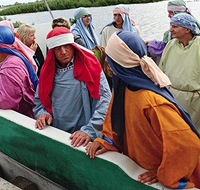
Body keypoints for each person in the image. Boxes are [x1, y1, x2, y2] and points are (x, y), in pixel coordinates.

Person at [86, 31, 200, 189]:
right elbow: (115, 118)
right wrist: (107, 141)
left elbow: (188, 143)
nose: (108, 64)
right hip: (140, 167)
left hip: (155, 174)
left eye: (110, 59)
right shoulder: (124, 87)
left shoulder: (151, 101)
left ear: (120, 63)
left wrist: (164, 172)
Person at [34, 27, 111, 147]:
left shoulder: (91, 67)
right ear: (52, 51)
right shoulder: (47, 72)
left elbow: (105, 101)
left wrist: (90, 130)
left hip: (83, 135)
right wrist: (43, 113)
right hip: (57, 132)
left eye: (66, 46)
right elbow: (40, 99)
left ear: (73, 45)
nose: (63, 52)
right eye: (58, 49)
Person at [159, 13, 200, 130]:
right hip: (173, 96)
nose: (171, 30)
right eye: (170, 26)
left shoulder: (198, 45)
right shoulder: (171, 45)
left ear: (187, 29)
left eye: (175, 26)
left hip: (196, 100)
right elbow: (161, 69)